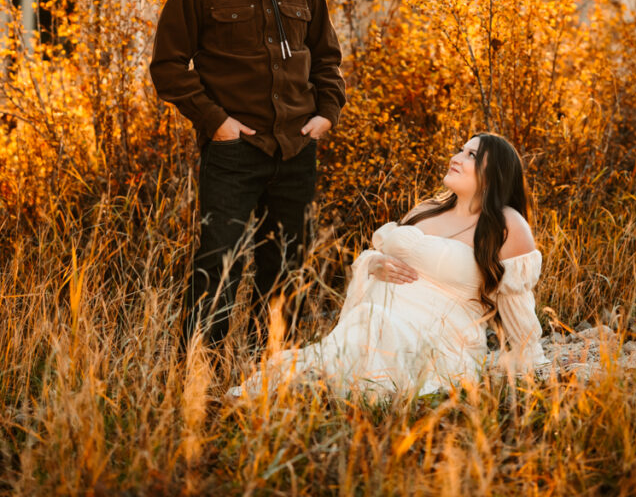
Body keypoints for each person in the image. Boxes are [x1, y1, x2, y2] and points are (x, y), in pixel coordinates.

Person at [150, 0, 346, 347]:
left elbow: (327, 58)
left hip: (296, 150)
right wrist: (217, 123)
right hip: (235, 151)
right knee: (219, 260)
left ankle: (272, 368)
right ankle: (202, 372)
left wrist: (326, 113)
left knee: (285, 260)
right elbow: (168, 67)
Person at [231, 133, 549, 397]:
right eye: (460, 149)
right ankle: (306, 389)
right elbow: (373, 257)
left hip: (439, 336)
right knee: (354, 335)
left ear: (494, 172)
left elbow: (516, 302)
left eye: (470, 155)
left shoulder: (507, 225)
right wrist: (374, 264)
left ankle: (327, 388)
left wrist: (529, 363)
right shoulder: (426, 210)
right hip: (375, 319)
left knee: (373, 329)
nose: (456, 157)